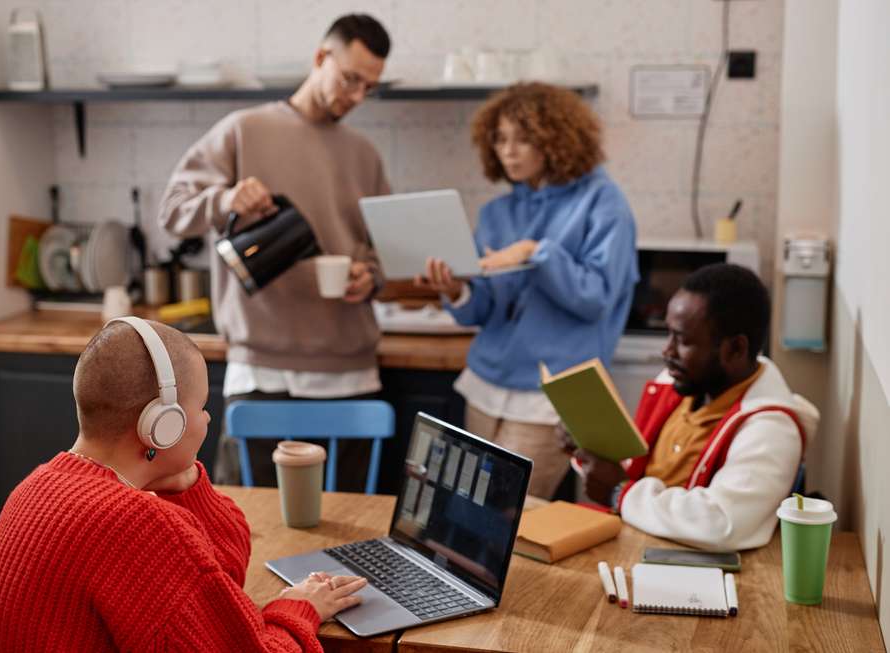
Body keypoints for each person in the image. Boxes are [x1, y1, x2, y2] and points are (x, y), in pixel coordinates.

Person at [0, 319, 366, 652]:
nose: (207, 419)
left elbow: (218, 582)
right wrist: (299, 608)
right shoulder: (135, 522)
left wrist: (184, 482)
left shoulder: (35, 487)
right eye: (199, 407)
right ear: (162, 424)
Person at [157, 14, 392, 490]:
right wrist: (224, 199)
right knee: (248, 528)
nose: (357, 96)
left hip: (349, 372)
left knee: (348, 534)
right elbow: (173, 212)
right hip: (260, 369)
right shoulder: (244, 130)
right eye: (351, 80)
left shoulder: (364, 153)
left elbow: (386, 251)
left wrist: (372, 277)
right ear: (321, 57)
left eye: (369, 88)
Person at [416, 82, 638, 498]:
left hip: (550, 395)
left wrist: (536, 252)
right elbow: (481, 309)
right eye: (500, 139)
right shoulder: (498, 212)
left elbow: (596, 299)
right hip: (485, 385)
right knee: (463, 507)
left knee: (506, 514)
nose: (508, 151)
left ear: (555, 140)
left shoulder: (604, 203)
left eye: (523, 139)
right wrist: (458, 288)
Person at [572, 263, 819, 551]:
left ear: (736, 349)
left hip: (685, 571)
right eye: (669, 334)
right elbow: (631, 469)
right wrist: (587, 446)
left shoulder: (772, 431)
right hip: (633, 543)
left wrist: (620, 493)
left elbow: (722, 523)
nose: (667, 351)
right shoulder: (680, 383)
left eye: (683, 340)